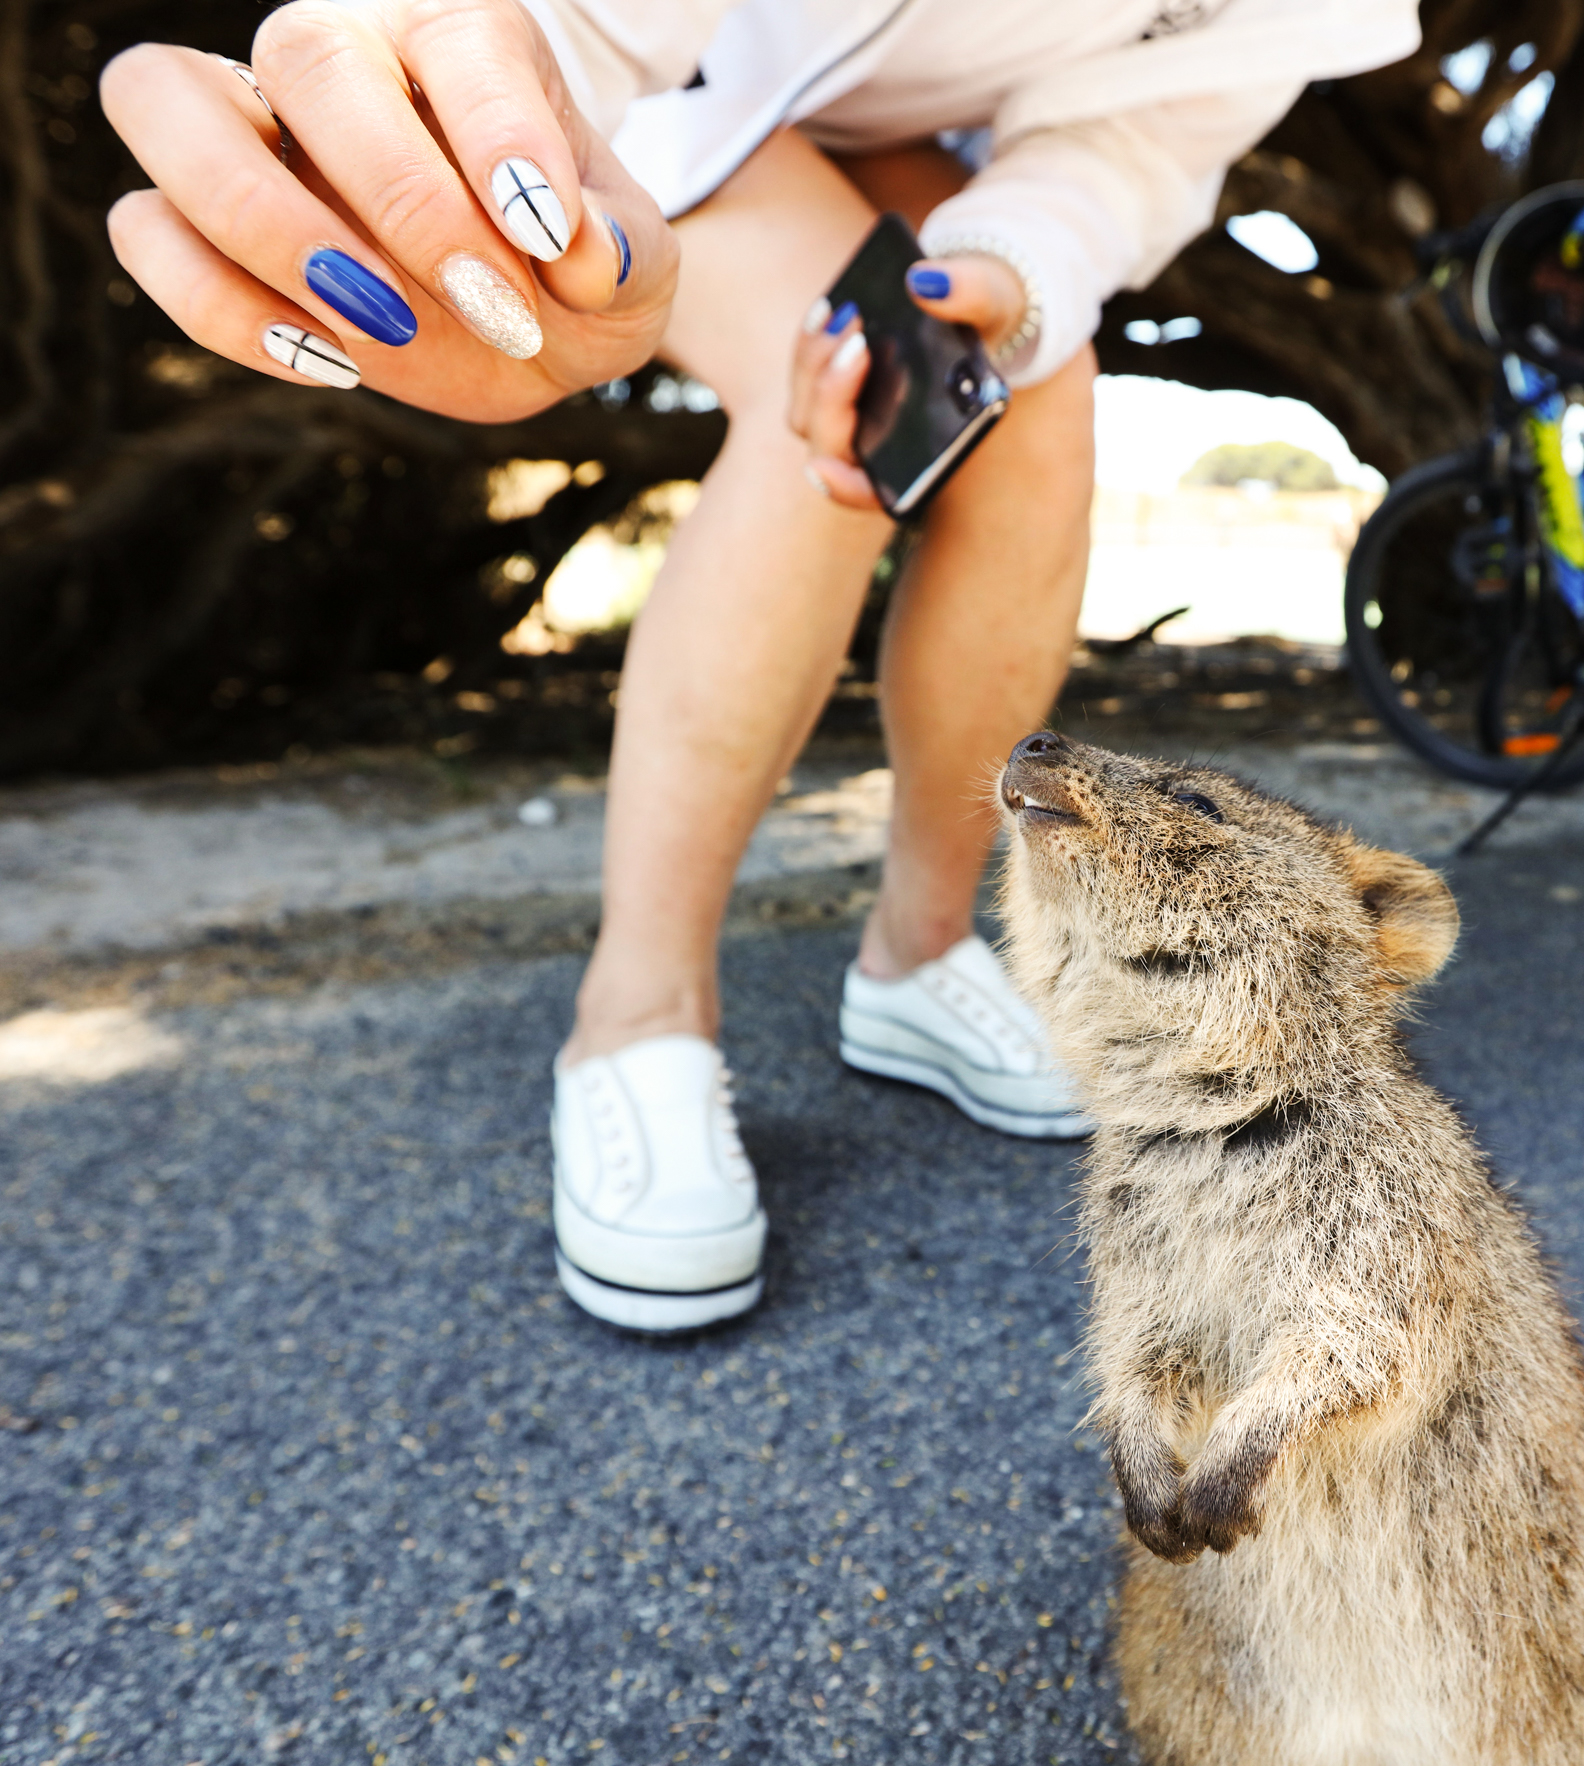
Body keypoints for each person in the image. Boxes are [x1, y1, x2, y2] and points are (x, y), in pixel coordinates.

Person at [100, 0, 1422, 1332]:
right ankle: (638, 1006)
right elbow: (573, 27)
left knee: (1036, 385)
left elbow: (1129, 148)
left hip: (897, 139)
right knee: (842, 352)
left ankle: (918, 953)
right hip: (685, 89)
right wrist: (459, 84)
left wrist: (1008, 262)